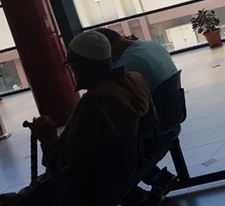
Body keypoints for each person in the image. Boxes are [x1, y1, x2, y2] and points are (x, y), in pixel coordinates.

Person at [29, 30, 161, 205]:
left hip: (99, 183)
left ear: (79, 64)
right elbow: (151, 123)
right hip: (129, 165)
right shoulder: (135, 79)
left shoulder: (93, 102)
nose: (71, 70)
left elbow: (62, 162)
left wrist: (47, 137)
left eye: (70, 64)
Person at [95, 28, 180, 196]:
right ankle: (157, 178)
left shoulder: (128, 65)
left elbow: (116, 102)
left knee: (105, 149)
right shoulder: (151, 46)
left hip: (155, 131)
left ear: (108, 50)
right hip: (171, 117)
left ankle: (138, 195)